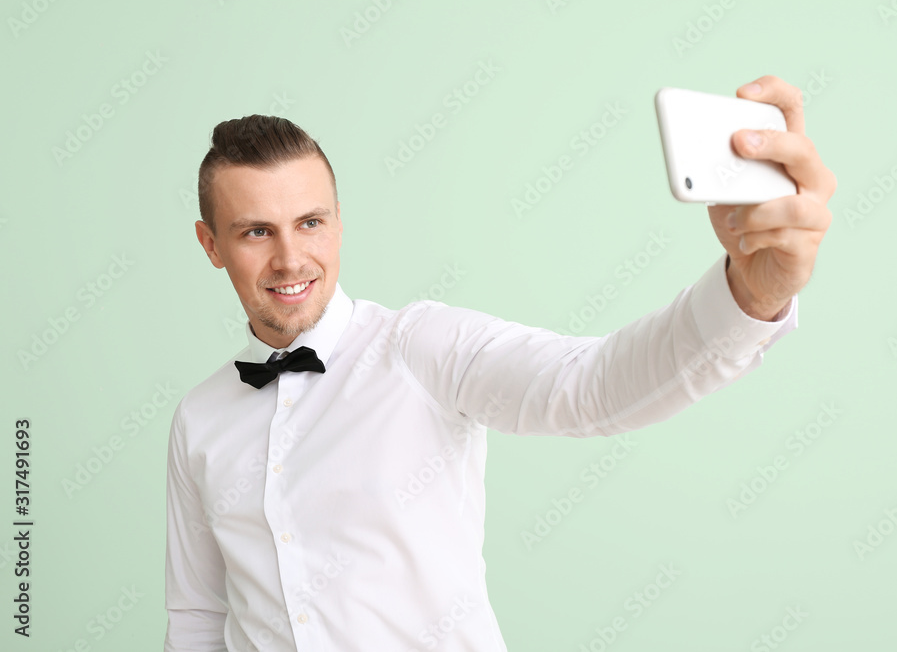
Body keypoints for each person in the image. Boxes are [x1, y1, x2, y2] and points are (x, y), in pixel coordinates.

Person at [163, 74, 836, 650]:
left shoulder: (420, 348)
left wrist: (750, 293)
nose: (289, 258)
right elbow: (198, 614)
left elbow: (592, 387)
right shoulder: (199, 418)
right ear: (210, 244)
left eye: (310, 222)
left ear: (338, 223)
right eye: (256, 231)